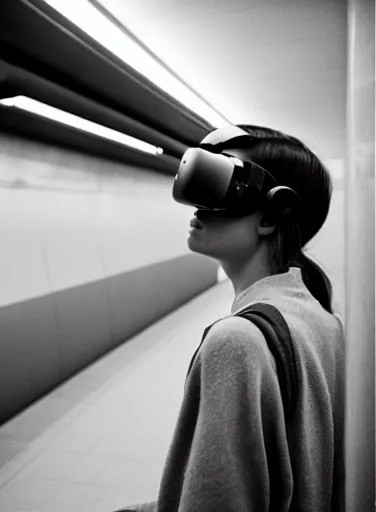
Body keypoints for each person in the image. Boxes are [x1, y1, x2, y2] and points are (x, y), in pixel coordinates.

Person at [119, 125, 345, 511]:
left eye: (221, 185)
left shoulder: (236, 342)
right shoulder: (324, 321)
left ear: (275, 213)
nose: (197, 206)